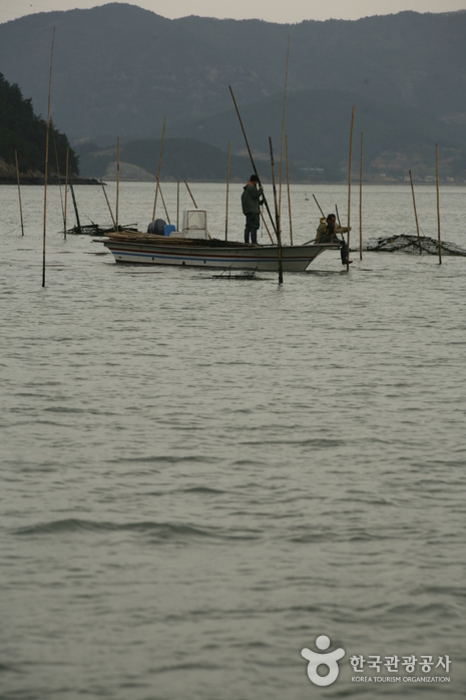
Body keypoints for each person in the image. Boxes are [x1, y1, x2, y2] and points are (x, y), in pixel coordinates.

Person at [241, 174, 264, 245]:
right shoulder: (251, 188)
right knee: (253, 226)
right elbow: (255, 195)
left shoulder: (246, 189)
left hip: (248, 211)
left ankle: (247, 242)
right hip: (253, 211)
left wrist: (261, 202)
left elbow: (253, 200)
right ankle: (254, 242)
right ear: (255, 181)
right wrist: (261, 190)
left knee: (248, 226)